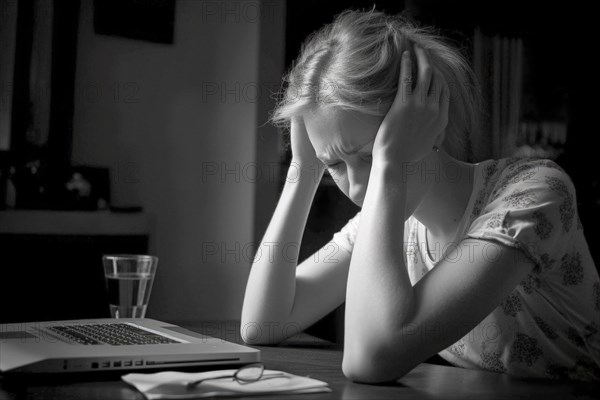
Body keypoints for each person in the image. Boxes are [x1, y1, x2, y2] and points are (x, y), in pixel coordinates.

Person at [240, 8, 600, 382]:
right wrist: (304, 170)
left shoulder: (534, 193)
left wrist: (389, 162)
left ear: (430, 123)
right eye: (336, 165)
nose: (360, 187)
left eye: (369, 156)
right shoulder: (390, 221)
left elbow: (368, 360)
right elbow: (262, 324)